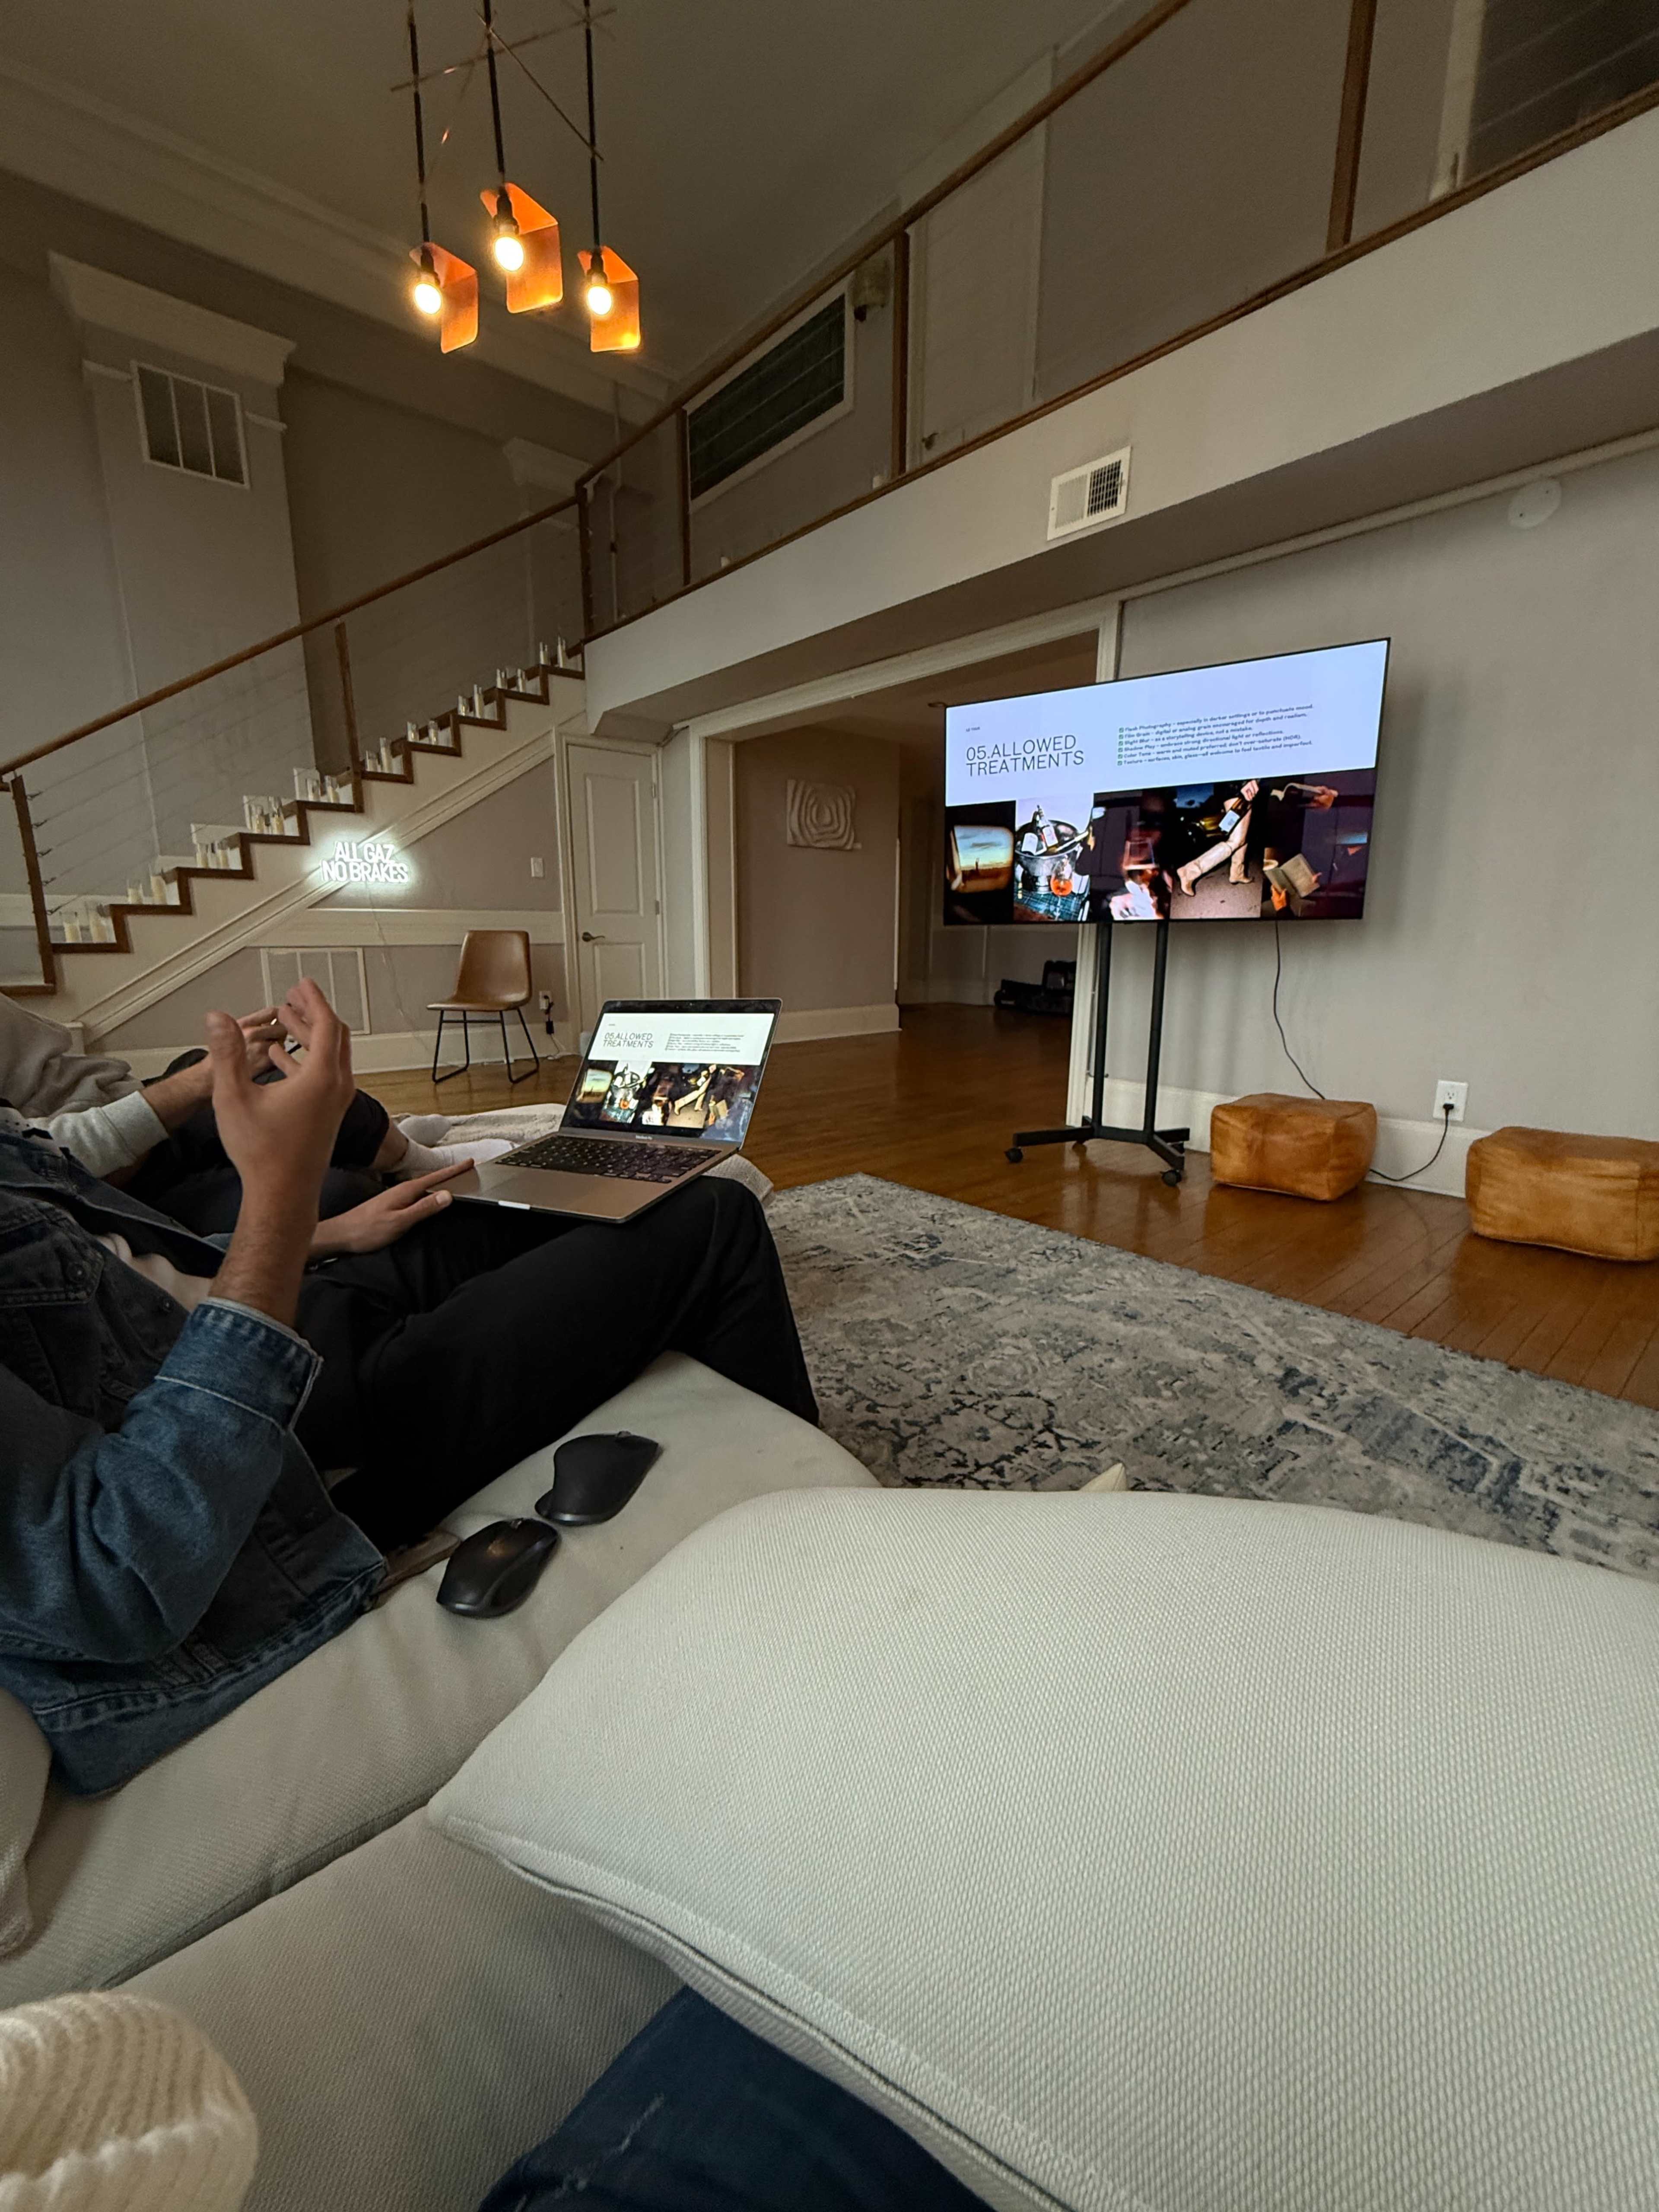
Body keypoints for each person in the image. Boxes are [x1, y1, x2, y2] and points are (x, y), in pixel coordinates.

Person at [0, 981, 817, 1795]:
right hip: (274, 1460)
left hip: (256, 1314)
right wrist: (277, 1201)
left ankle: (567, 1176)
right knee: (713, 1218)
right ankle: (805, 1547)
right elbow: (112, 1576)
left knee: (561, 1196)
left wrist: (318, 1236)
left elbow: (118, 1261)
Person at [0, 987, 483, 1232]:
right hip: (98, 1186)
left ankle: (409, 1154)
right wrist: (205, 1078)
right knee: (341, 1194)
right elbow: (28, 1159)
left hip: (129, 1108)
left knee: (286, 1082)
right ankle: (387, 1152)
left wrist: (205, 1074)